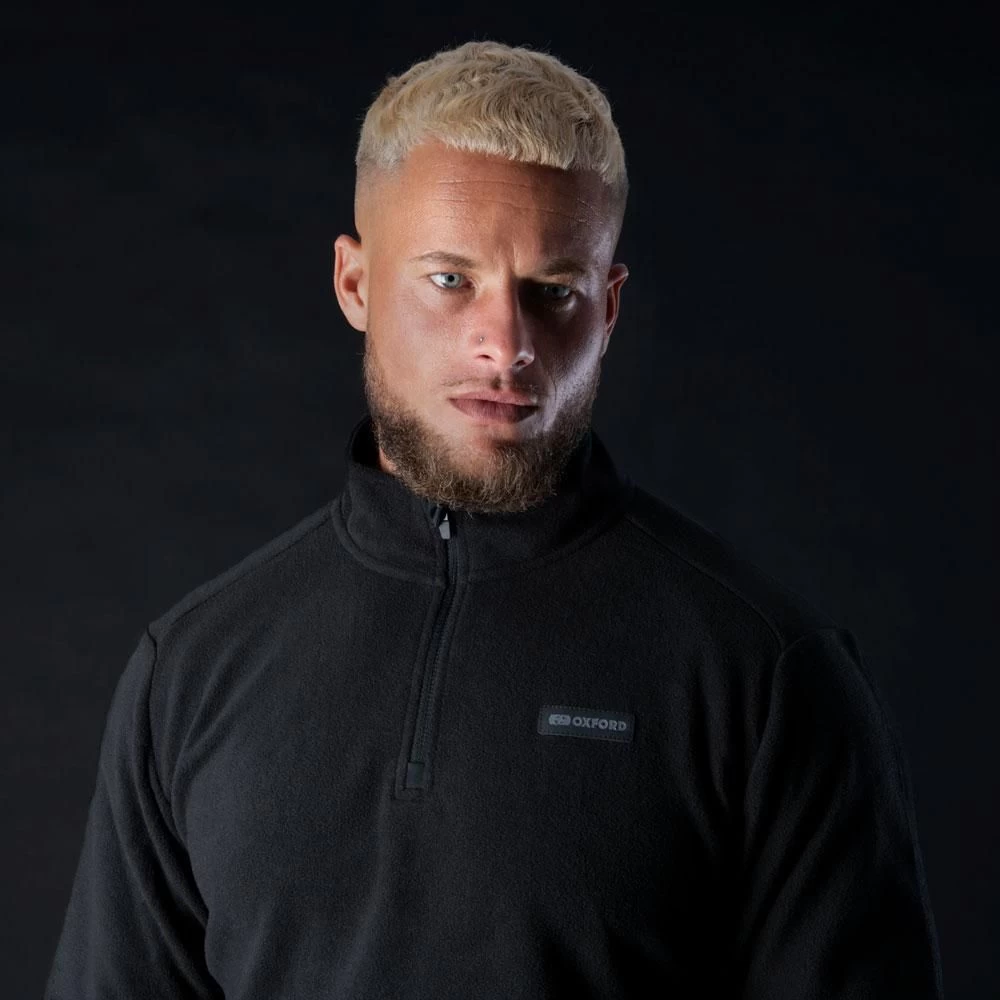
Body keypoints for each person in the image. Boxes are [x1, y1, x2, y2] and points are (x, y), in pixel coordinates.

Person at [45, 39, 945, 999]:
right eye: (450, 280)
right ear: (354, 284)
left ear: (608, 307)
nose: (505, 345)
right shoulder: (192, 669)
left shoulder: (765, 676)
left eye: (552, 292)